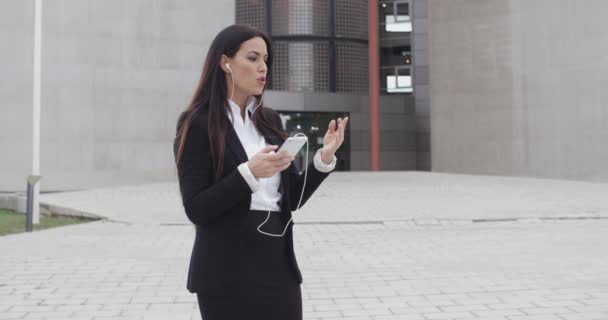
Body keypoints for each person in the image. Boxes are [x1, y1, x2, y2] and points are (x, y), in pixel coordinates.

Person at [173, 24, 348, 320]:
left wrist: (323, 158)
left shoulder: (269, 121)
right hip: (225, 267)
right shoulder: (198, 123)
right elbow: (196, 208)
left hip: (277, 262)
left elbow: (291, 199)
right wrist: (248, 174)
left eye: (265, 59)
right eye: (252, 58)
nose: (262, 68)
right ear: (224, 62)